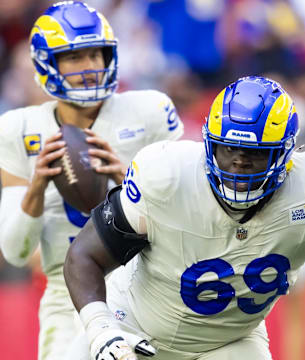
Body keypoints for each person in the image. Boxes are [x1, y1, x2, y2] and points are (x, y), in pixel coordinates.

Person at [63, 75, 305, 360]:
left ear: (284, 155)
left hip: (227, 345)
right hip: (130, 326)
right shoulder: (168, 177)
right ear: (209, 144)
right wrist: (101, 330)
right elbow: (84, 255)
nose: (239, 162)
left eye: (254, 153)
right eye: (229, 148)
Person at [0, 2, 183, 360]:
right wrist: (37, 186)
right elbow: (16, 251)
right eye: (75, 57)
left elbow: (184, 216)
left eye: (96, 55)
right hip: (67, 293)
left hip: (146, 284)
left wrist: (126, 177)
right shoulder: (17, 129)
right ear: (46, 63)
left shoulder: (149, 111)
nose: (91, 68)